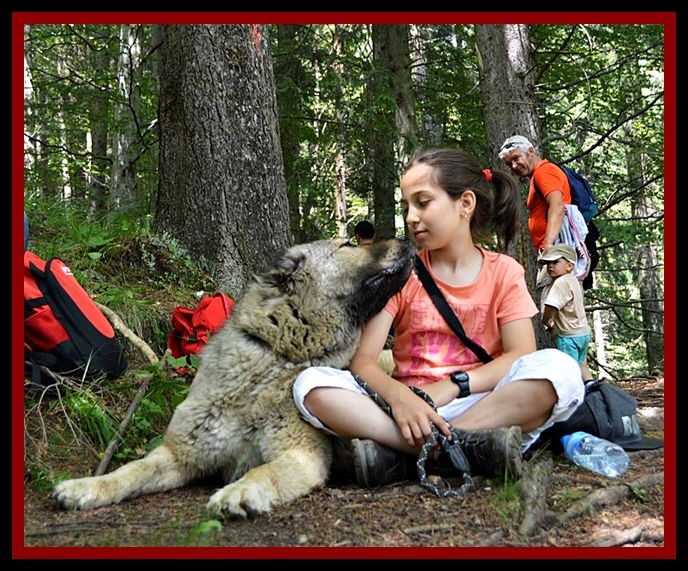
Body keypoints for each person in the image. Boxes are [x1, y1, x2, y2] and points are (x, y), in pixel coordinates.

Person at [292, 148, 584, 488]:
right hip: (407, 411)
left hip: (484, 404)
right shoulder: (401, 275)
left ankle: (409, 454)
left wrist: (454, 385)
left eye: (423, 202)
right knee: (310, 384)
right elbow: (364, 361)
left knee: (561, 371)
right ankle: (463, 450)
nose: (411, 217)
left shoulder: (504, 271)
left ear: (465, 204)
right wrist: (398, 397)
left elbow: (520, 354)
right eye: (406, 207)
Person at [498, 135, 595, 382]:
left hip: (557, 255)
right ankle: (589, 387)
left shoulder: (544, 172)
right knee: (567, 319)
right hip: (560, 255)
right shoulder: (540, 174)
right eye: (509, 164)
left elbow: (557, 205)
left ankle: (573, 388)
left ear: (531, 151)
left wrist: (548, 247)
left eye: (516, 159)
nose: (514, 166)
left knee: (560, 320)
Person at [539, 244, 592, 383]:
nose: (550, 266)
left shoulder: (560, 282)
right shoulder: (573, 280)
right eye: (548, 263)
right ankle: (592, 387)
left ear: (569, 266)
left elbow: (551, 306)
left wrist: (546, 321)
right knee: (581, 365)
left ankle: (574, 393)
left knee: (569, 370)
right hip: (583, 332)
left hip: (568, 336)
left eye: (555, 262)